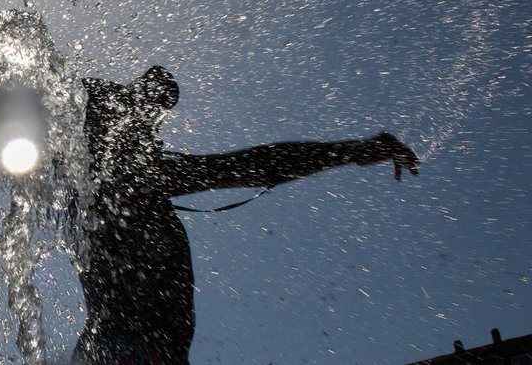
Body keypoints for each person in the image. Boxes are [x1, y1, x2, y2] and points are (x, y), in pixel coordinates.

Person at [73, 66, 420, 365]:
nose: (154, 133)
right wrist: (353, 151)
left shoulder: (98, 191)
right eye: (146, 123)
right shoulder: (134, 180)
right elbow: (257, 165)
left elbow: (256, 165)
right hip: (132, 351)